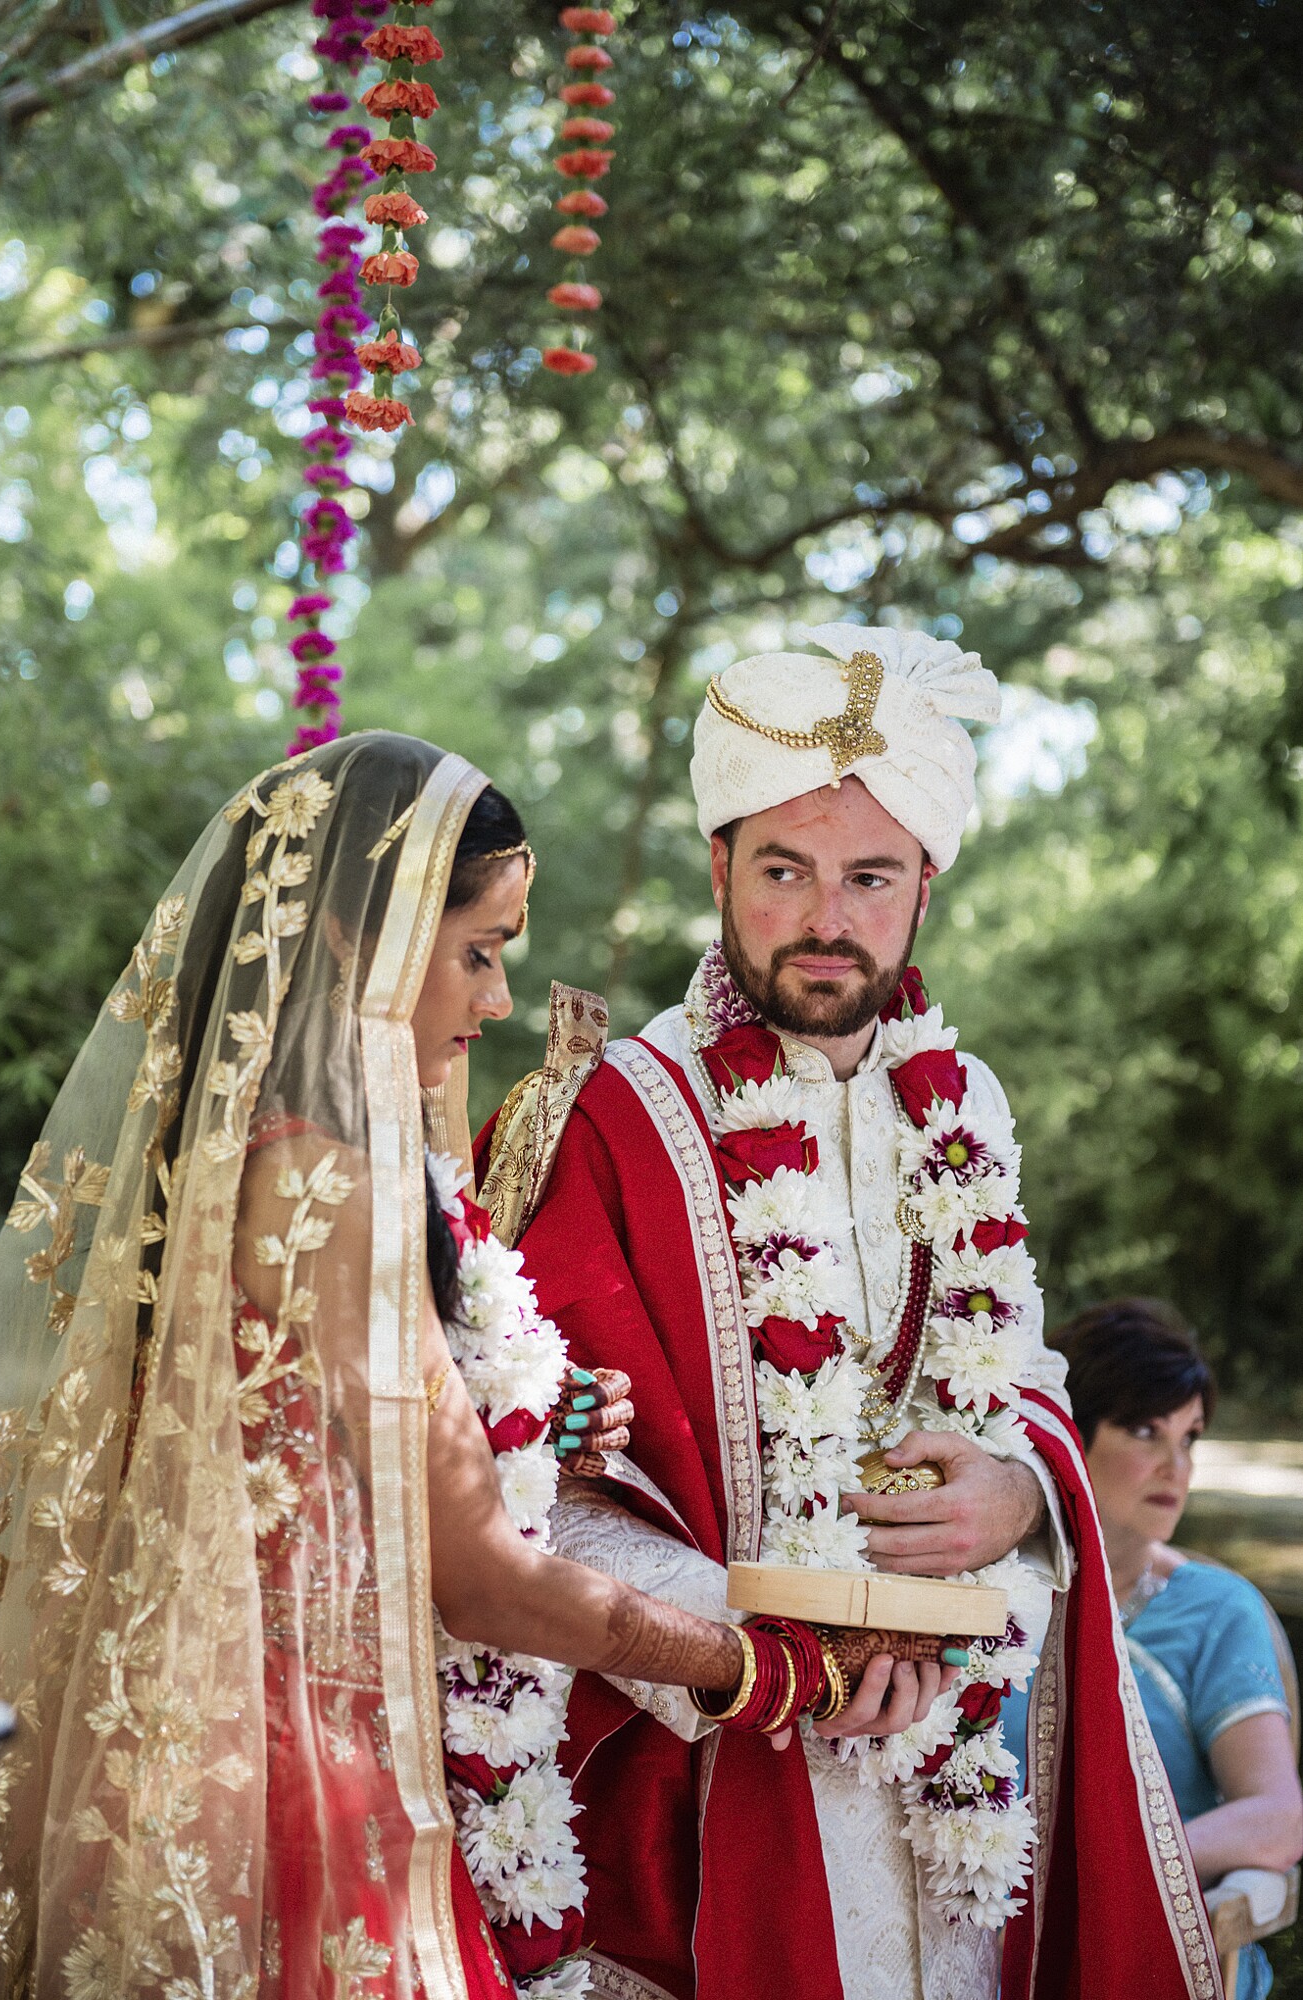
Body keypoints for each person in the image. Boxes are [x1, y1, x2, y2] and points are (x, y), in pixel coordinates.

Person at [0, 734, 909, 2000]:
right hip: (301, 1777)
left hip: (235, 1742)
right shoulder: (329, 1186)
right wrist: (764, 1666)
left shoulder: (269, 1159)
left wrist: (518, 1427)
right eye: (478, 950)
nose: (500, 999)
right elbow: (482, 1581)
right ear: (358, 941)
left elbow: (343, 1455)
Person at [480, 626, 1225, 2000]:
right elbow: (530, 1490)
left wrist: (1020, 1490)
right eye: (783, 869)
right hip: (720, 1771)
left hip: (960, 1776)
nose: (825, 916)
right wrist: (775, 1648)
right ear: (719, 865)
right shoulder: (613, 1118)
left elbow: (1022, 1373)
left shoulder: (966, 1105)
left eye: (869, 876)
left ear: (924, 886)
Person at [1002, 1298, 1303, 2000]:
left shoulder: (1215, 1611)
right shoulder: (990, 1592)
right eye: (1145, 1430)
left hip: (1148, 1954)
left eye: (1190, 1437)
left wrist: (1116, 1872)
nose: (1177, 1466)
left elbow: (1277, 1817)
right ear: (1068, 1434)